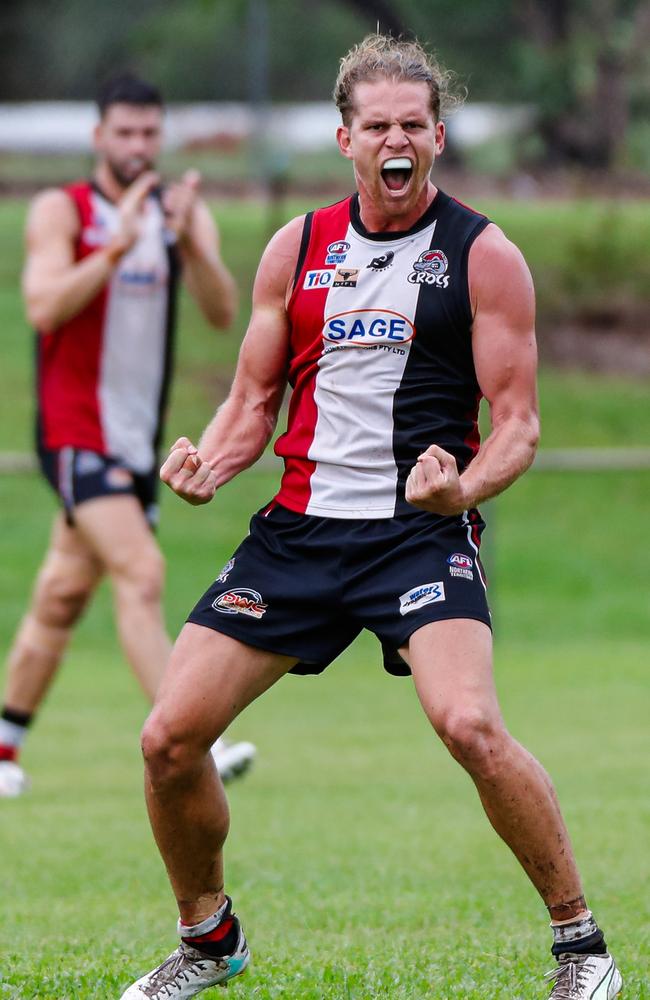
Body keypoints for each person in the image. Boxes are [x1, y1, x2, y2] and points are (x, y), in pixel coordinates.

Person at [120, 37, 621, 1000]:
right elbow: (250, 403)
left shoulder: (484, 254)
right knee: (167, 740)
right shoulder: (297, 248)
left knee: (469, 723)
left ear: (438, 135)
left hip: (417, 534)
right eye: (376, 125)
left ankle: (582, 949)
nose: (395, 140)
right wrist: (209, 463)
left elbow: (517, 426)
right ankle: (209, 941)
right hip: (300, 534)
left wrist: (462, 493)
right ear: (345, 137)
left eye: (412, 124)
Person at [0, 72, 256, 798]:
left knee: (60, 594)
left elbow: (219, 311)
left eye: (150, 133)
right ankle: (200, 735)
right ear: (98, 137)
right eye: (125, 132)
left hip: (137, 445)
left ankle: (3, 749)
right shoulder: (63, 209)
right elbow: (44, 305)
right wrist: (114, 251)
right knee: (141, 574)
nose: (139, 146)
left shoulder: (177, 210)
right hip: (76, 435)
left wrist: (190, 246)